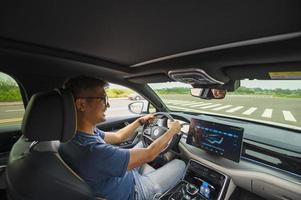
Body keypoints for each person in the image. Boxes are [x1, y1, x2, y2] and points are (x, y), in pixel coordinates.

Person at [59, 76, 186, 200]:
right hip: (134, 191)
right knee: (180, 164)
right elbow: (150, 154)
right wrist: (172, 131)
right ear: (81, 104)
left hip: (121, 176)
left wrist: (140, 121)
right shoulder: (93, 150)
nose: (107, 105)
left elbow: (118, 136)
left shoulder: (76, 135)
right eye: (102, 98)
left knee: (143, 142)